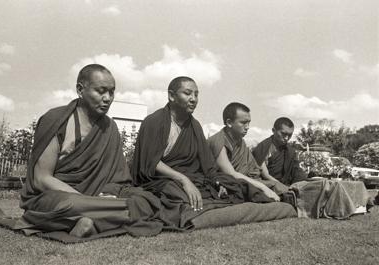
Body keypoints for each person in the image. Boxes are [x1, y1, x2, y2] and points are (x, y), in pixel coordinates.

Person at [0, 64, 170, 242]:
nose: (107, 98)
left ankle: (90, 221)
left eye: (111, 92)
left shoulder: (110, 128)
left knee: (146, 200)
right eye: (100, 91)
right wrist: (88, 200)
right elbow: (42, 179)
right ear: (80, 90)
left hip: (97, 198)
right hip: (57, 196)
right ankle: (103, 218)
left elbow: (117, 178)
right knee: (72, 205)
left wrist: (107, 194)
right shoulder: (56, 120)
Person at [131, 77, 276, 228]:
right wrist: (184, 181)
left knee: (234, 185)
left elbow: (207, 164)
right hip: (160, 179)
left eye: (196, 94)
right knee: (175, 193)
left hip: (193, 178)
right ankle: (202, 211)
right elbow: (151, 162)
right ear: (172, 96)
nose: (193, 99)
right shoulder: (154, 121)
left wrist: (217, 182)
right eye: (187, 93)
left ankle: (206, 208)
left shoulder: (195, 126)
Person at [207, 103, 288, 199]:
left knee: (284, 189)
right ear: (229, 123)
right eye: (243, 122)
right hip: (234, 183)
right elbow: (231, 174)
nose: (247, 127)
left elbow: (255, 169)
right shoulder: (218, 141)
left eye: (249, 122)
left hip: (248, 181)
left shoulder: (241, 142)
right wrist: (263, 187)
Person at [253, 117, 307, 186]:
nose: (287, 138)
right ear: (273, 130)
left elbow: (296, 171)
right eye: (283, 134)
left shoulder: (290, 150)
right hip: (268, 185)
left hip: (286, 185)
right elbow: (265, 175)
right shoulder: (263, 148)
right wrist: (282, 187)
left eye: (290, 135)